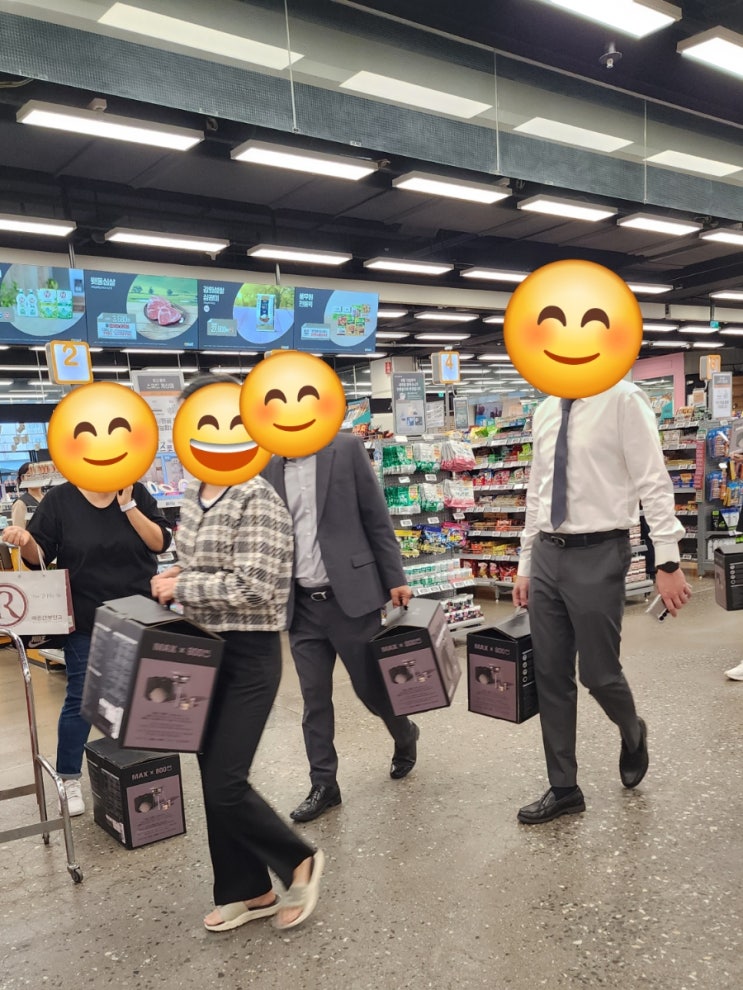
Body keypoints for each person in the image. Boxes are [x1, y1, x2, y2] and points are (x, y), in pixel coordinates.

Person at [151, 375, 323, 933]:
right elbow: (196, 560)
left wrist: (183, 586)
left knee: (227, 781)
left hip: (249, 655)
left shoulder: (257, 495)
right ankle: (247, 890)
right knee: (211, 776)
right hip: (201, 654)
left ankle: (298, 859)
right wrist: (175, 572)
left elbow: (256, 585)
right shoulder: (194, 492)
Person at [512, 379, 692, 825]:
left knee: (598, 672)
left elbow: (653, 479)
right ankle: (564, 788)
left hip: (600, 551)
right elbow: (538, 490)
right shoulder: (546, 410)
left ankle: (632, 731)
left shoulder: (623, 399)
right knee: (550, 672)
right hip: (547, 551)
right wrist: (525, 562)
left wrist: (667, 559)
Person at [263, 431, 420, 824]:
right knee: (314, 699)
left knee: (371, 689)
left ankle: (404, 734)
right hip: (301, 606)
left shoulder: (346, 448)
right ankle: (324, 785)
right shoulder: (268, 464)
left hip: (351, 597)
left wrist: (395, 578)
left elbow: (376, 517)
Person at [2, 482, 172, 816]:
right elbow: (39, 557)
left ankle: (141, 768)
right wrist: (26, 540)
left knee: (142, 695)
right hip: (85, 617)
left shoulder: (135, 491)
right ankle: (68, 777)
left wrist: (128, 506)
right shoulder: (60, 500)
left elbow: (161, 542)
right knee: (82, 698)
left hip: (141, 615)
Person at [11, 462, 45, 527]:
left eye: (37, 474)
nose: (34, 478)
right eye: (29, 475)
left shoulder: (48, 498)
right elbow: (19, 530)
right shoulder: (20, 504)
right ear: (22, 478)